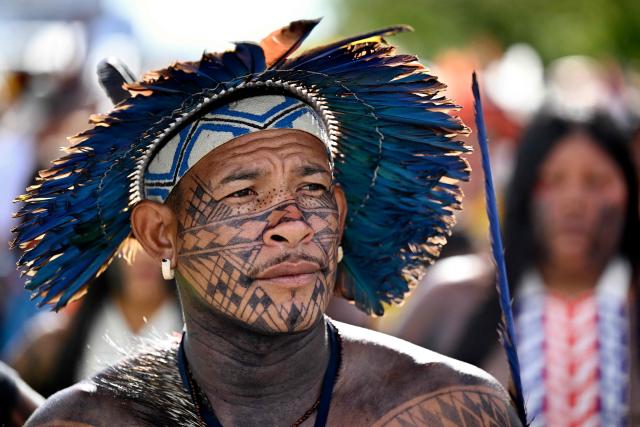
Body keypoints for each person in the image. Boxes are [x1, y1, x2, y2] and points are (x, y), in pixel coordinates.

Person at [15, 20, 522, 426]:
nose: (295, 224)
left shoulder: (452, 409)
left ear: (340, 213)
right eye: (243, 194)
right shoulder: (88, 421)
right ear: (159, 233)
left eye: (312, 188)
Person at [394, 111, 640, 426]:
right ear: (522, 191)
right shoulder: (455, 295)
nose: (574, 201)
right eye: (551, 181)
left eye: (596, 182)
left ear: (630, 193)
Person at [7, 247, 181, 397]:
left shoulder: (199, 333)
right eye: (132, 236)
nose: (143, 253)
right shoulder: (56, 341)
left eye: (154, 236)